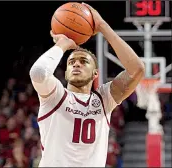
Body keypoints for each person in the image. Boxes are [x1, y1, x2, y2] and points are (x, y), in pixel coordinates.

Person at [29, 3, 145, 167]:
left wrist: (103, 26)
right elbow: (38, 73)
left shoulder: (104, 99)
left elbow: (137, 70)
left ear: (95, 73)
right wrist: (61, 45)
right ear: (67, 71)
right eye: (71, 62)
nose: (76, 64)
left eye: (83, 61)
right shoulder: (55, 95)